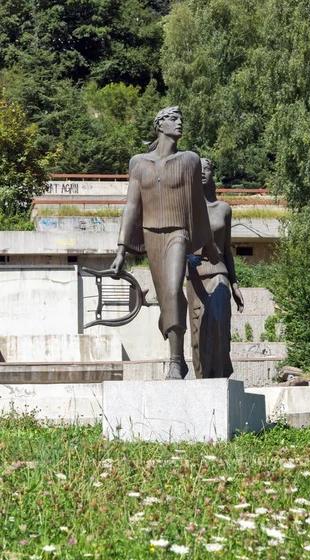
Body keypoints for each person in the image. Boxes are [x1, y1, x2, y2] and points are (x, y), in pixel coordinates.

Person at [111, 107, 217, 379]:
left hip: (178, 232)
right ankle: (174, 337)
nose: (180, 122)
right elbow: (132, 206)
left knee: (171, 288)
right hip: (151, 235)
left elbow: (198, 204)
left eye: (181, 118)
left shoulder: (190, 160)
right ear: (159, 124)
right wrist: (122, 249)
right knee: (166, 296)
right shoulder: (138, 163)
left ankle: (175, 360)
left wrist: (207, 243)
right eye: (173, 118)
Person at [186, 158, 244, 379]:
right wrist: (188, 256)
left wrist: (235, 284)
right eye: (197, 170)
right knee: (198, 330)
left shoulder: (224, 209)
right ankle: (202, 379)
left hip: (219, 272)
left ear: (212, 174)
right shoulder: (188, 209)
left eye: (206, 169)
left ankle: (219, 375)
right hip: (194, 275)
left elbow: (227, 249)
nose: (202, 172)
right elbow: (178, 241)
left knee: (219, 322)